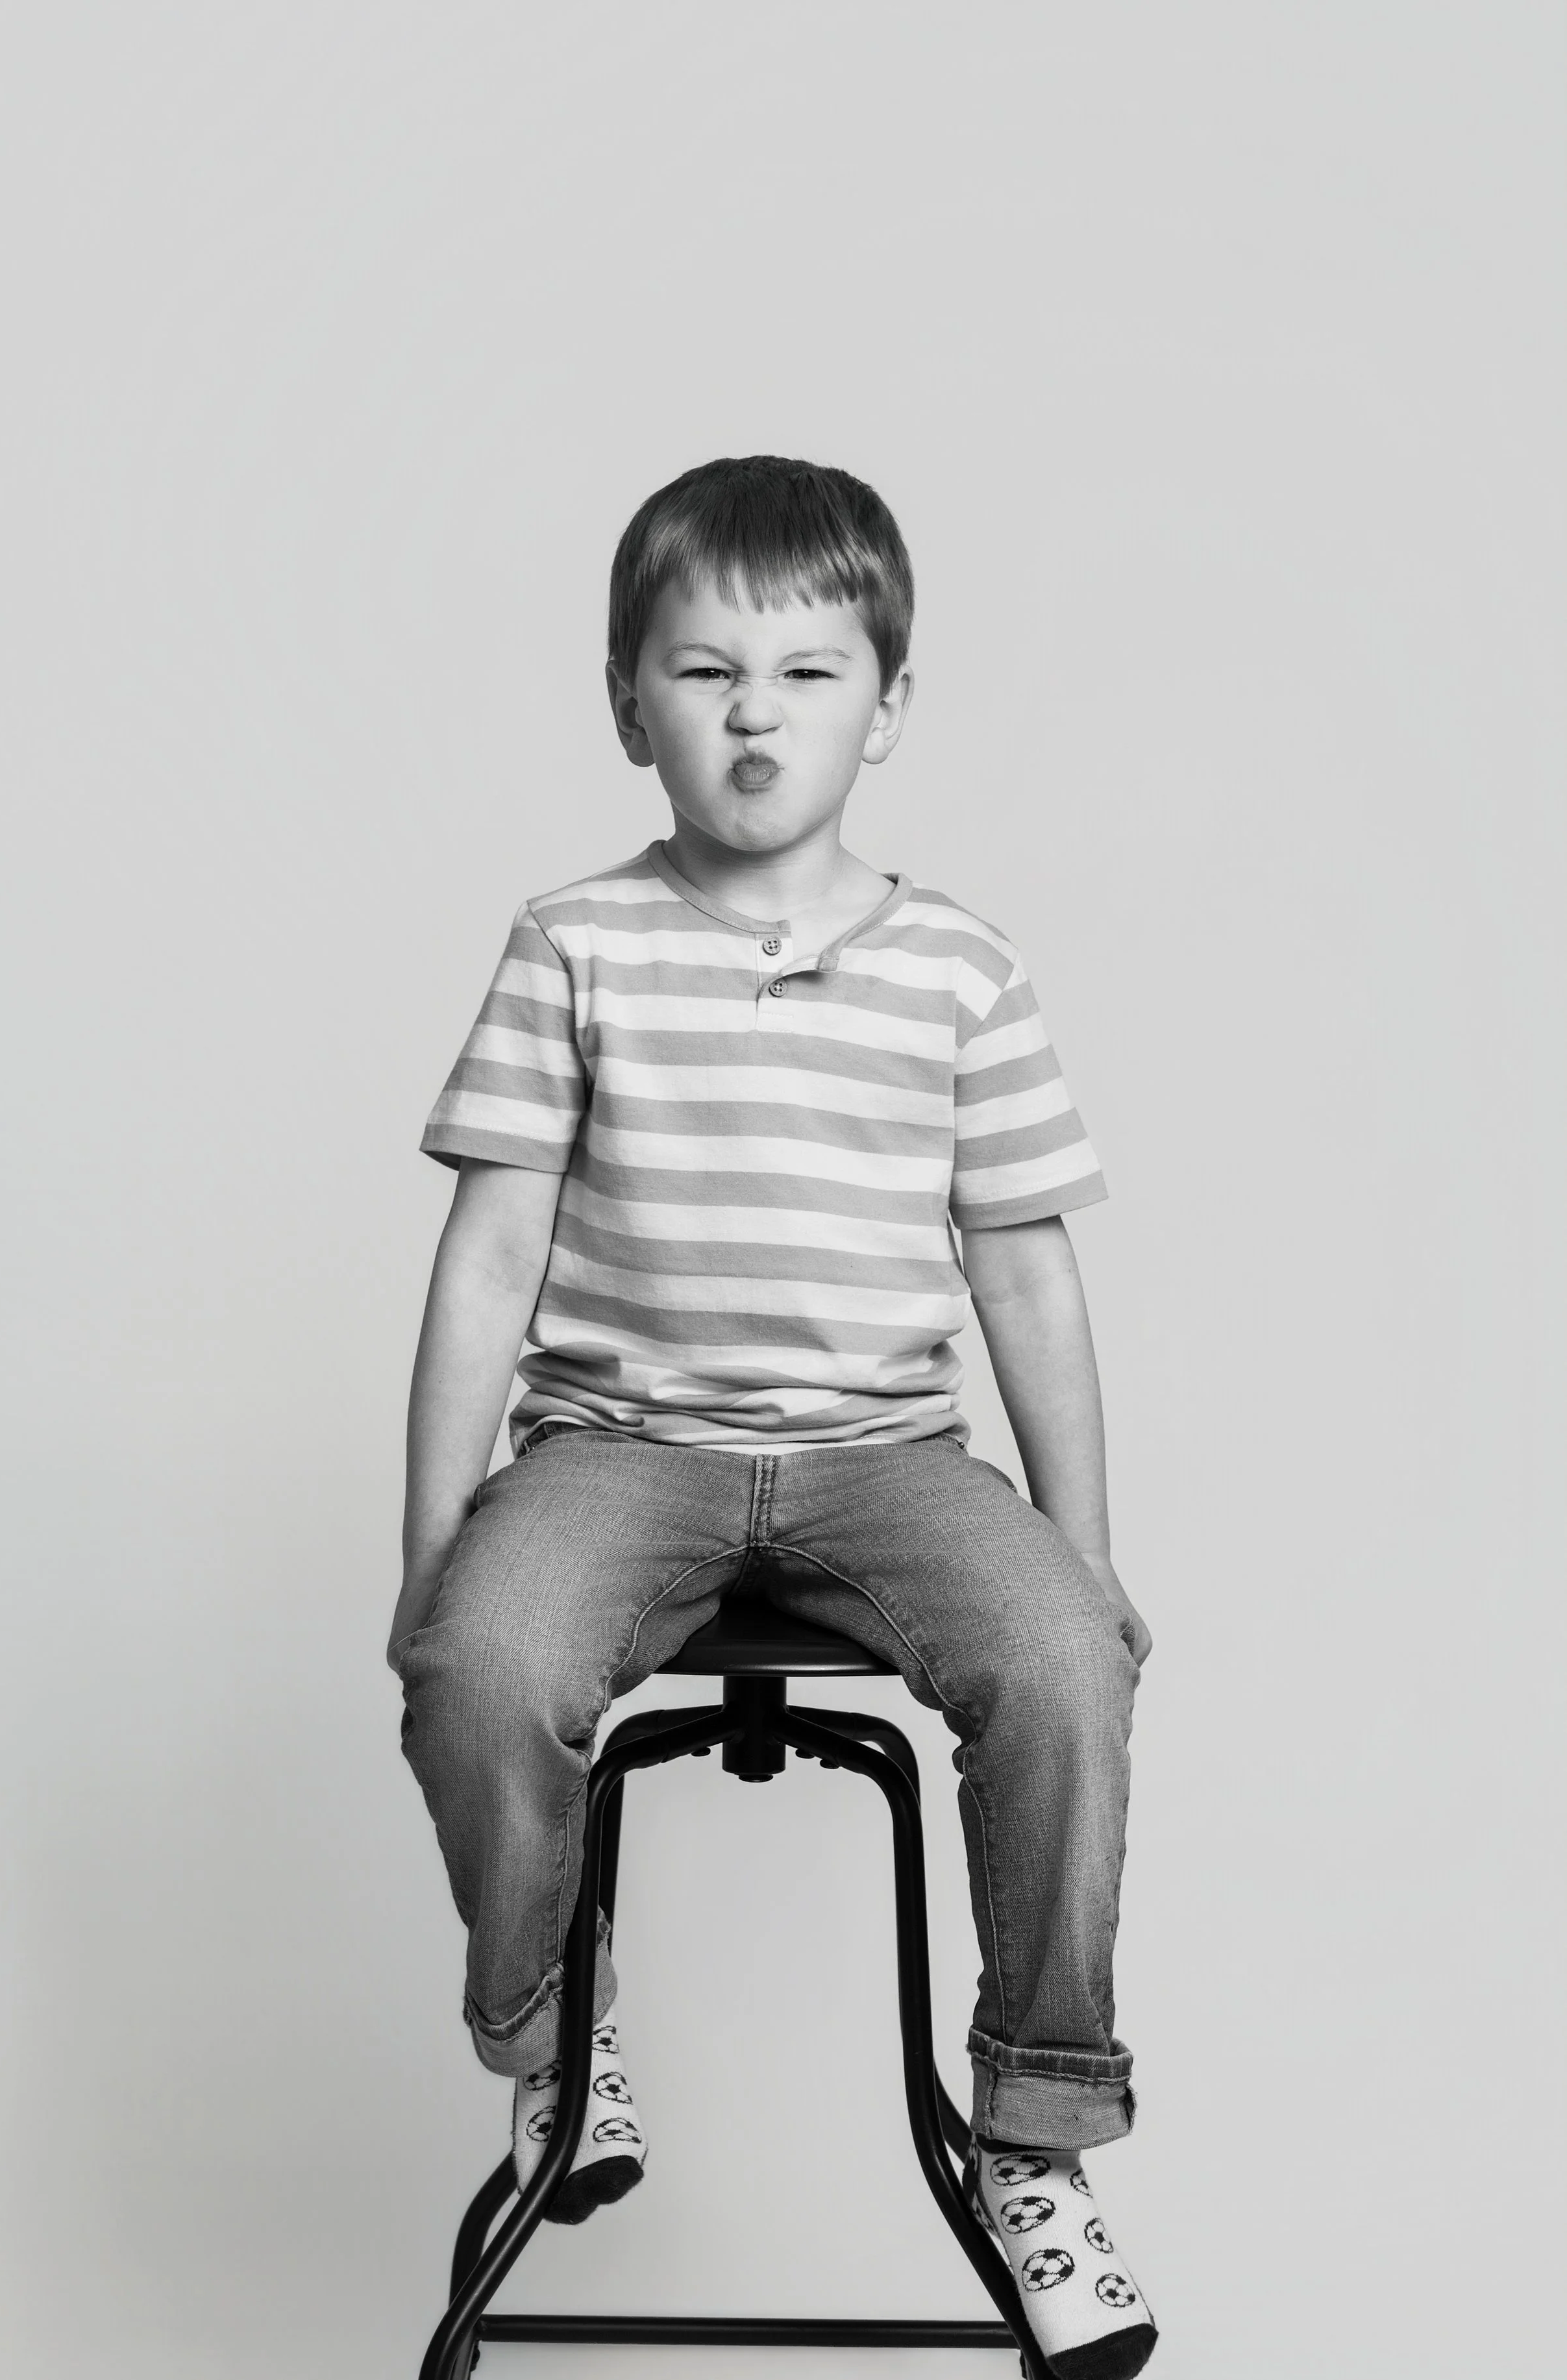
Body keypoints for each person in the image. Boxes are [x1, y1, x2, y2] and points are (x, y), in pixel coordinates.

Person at [391, 454, 1157, 2378]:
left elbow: (1026, 1272)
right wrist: (425, 1552)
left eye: (807, 675)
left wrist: (1079, 1539)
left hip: (883, 1462)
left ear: (885, 706)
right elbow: (487, 1261)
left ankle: (1037, 2142)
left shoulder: (957, 966)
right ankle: (559, 2047)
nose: (753, 715)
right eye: (704, 670)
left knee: (1065, 1660)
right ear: (624, 699)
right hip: (616, 1454)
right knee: (482, 1657)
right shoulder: (572, 942)